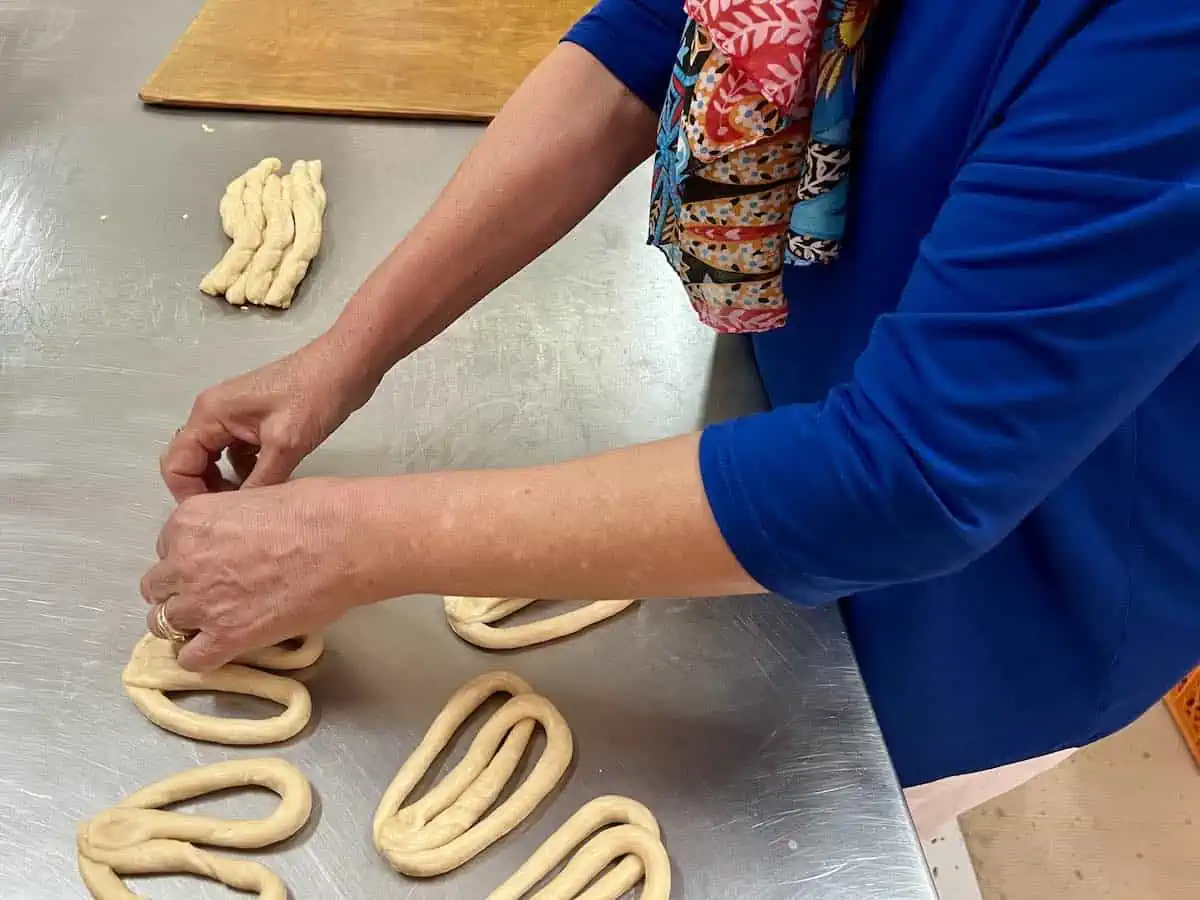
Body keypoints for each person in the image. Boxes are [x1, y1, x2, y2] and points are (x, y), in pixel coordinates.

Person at [142, 0, 1200, 838]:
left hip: (1003, 597)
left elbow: (914, 475)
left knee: (797, 828)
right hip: (775, 433)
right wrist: (349, 351)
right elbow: (648, 38)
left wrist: (348, 539)